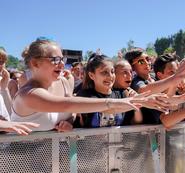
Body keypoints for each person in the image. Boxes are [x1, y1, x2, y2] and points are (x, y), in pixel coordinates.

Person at [10, 39, 166, 132]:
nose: (61, 64)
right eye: (54, 59)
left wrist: (69, 123)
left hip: (55, 159)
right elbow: (67, 105)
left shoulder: (64, 82)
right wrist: (134, 101)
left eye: (62, 59)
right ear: (35, 63)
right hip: (24, 162)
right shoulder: (28, 94)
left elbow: (72, 112)